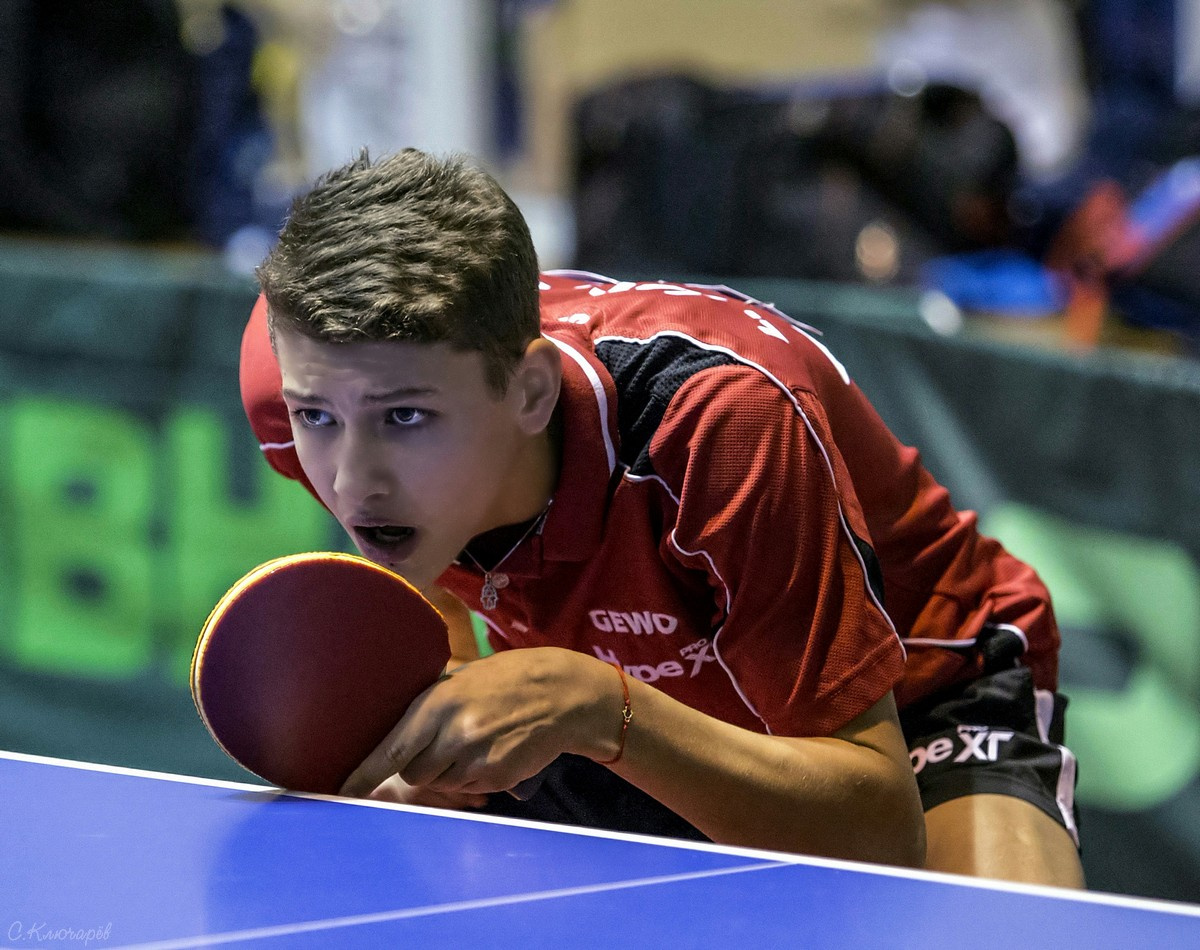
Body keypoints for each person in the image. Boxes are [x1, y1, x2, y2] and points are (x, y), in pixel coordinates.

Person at [239, 148, 1083, 884]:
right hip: (610, 694)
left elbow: (880, 837)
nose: (351, 479)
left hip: (925, 685)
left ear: (529, 392)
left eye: (406, 418)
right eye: (318, 419)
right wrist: (449, 684)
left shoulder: (723, 426)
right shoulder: (308, 375)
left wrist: (599, 707)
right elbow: (410, 564)